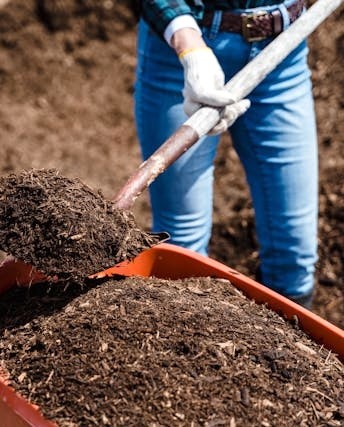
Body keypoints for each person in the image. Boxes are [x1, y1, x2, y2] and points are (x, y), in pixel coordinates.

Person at [135, 0, 317, 308]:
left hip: (283, 50)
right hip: (183, 52)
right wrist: (190, 47)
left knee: (295, 253)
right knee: (183, 249)